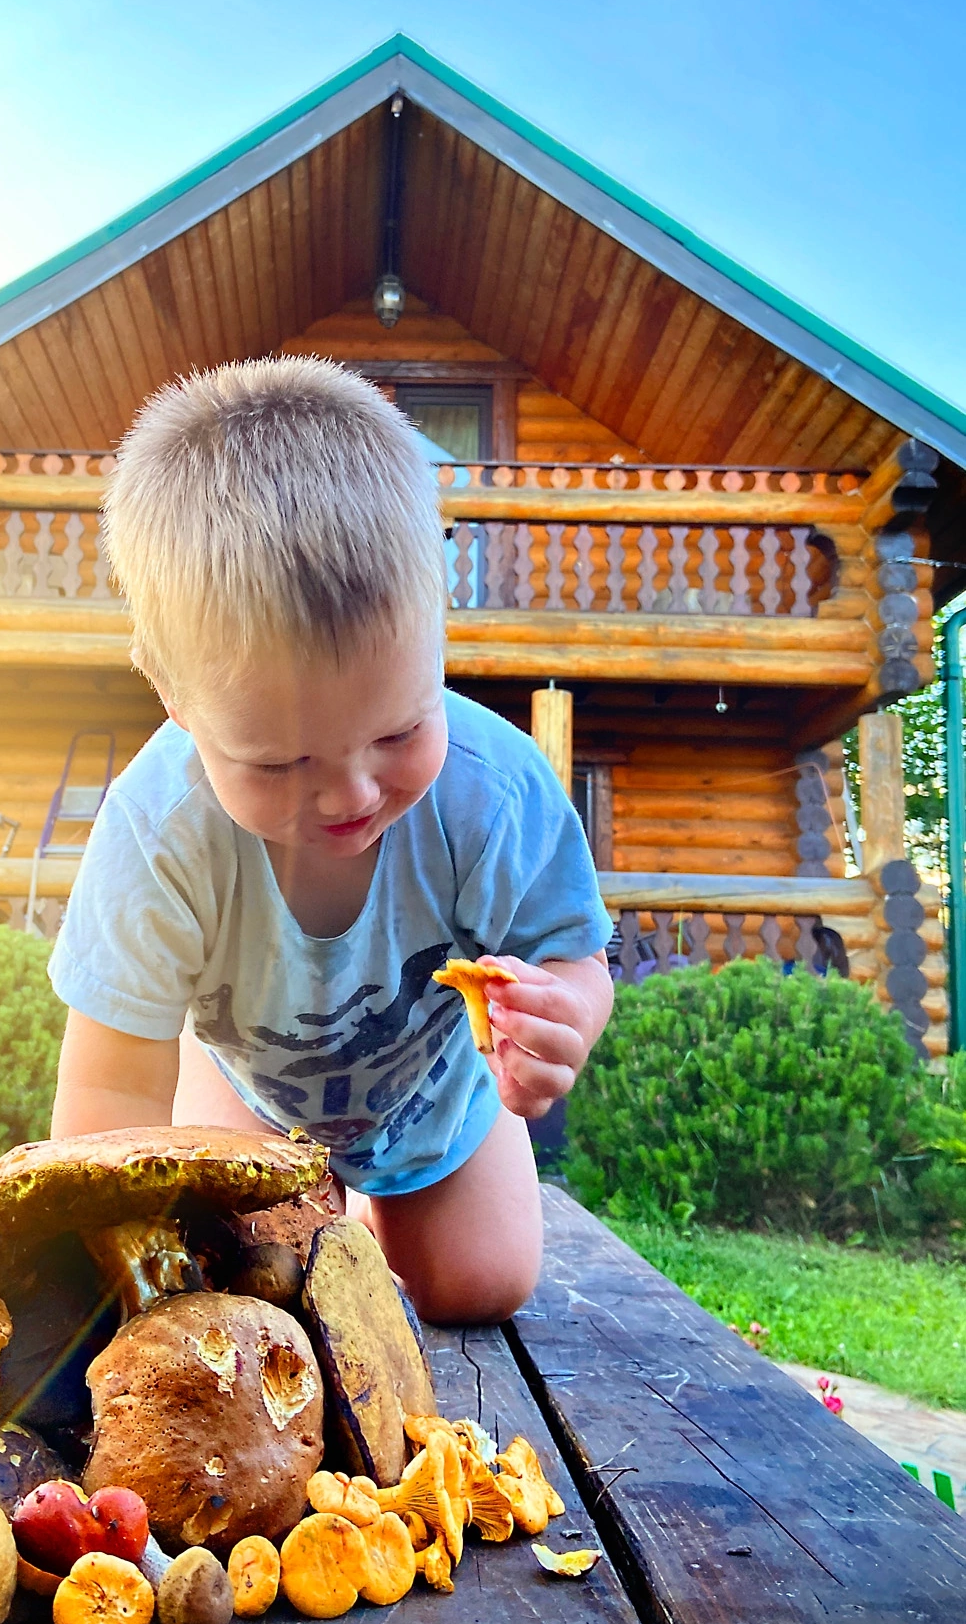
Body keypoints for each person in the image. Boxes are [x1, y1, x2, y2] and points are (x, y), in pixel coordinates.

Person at [48, 357, 614, 1323]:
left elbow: (573, 954)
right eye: (275, 764)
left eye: (399, 733)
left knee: (480, 1289)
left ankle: (392, 1205)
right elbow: (107, 1088)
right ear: (174, 697)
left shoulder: (496, 790)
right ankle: (279, 1171)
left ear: (438, 633)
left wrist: (561, 1015)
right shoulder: (158, 828)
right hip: (252, 1096)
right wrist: (98, 1269)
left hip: (434, 1094)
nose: (353, 793)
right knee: (241, 1295)